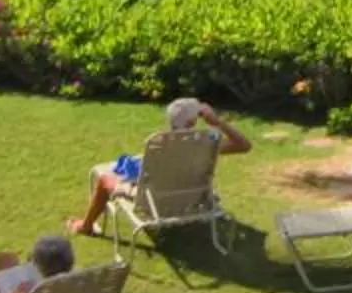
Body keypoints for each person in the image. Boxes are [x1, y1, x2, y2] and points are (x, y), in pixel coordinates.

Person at [76, 97, 251, 234]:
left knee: (106, 180)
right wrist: (218, 122)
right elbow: (244, 145)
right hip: (194, 199)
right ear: (194, 121)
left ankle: (85, 226)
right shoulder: (206, 144)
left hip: (154, 203)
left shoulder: (159, 146)